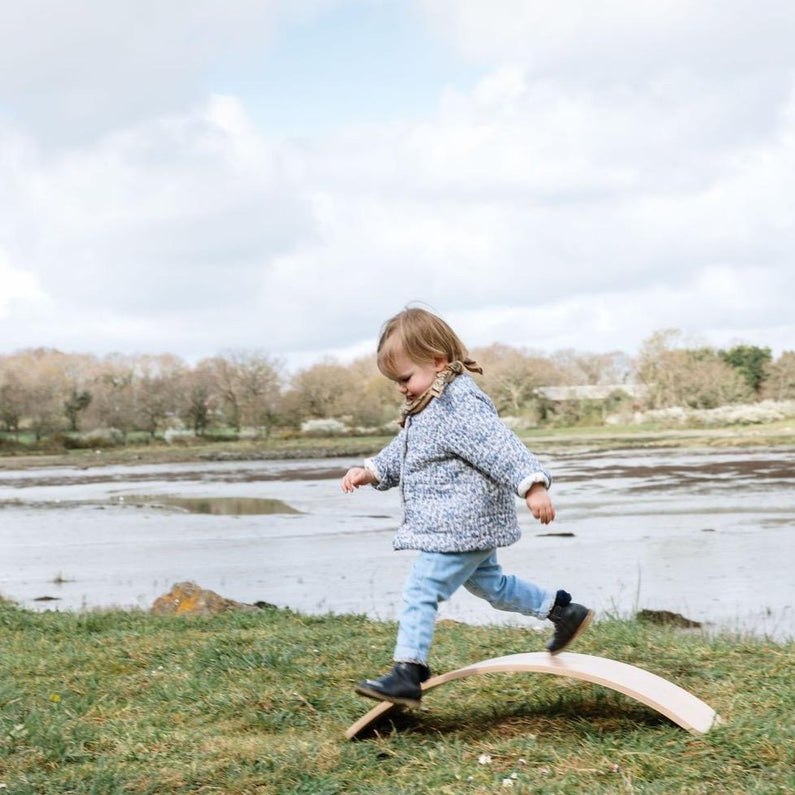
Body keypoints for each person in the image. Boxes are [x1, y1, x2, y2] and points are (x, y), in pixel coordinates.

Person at [341, 307, 593, 708]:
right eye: (396, 382)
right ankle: (562, 610)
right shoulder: (430, 402)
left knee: (422, 587)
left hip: (457, 524)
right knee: (490, 585)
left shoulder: (457, 402)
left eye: (405, 378)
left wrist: (533, 485)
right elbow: (406, 451)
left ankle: (408, 670)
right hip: (464, 524)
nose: (402, 388)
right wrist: (371, 470)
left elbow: (498, 444)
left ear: (438, 361)